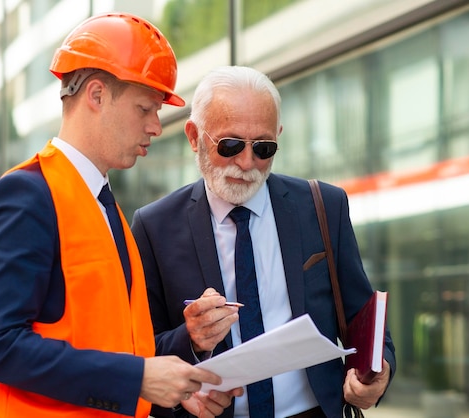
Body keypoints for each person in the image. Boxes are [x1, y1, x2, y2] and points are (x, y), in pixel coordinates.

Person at [0, 13, 242, 418]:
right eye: (145, 108)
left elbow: (118, 351)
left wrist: (179, 374)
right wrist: (137, 380)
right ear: (96, 95)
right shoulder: (27, 195)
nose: (156, 126)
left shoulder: (103, 207)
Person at [131, 66, 397, 418]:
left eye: (264, 147)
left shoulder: (323, 206)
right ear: (194, 137)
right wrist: (191, 339)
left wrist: (379, 371)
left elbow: (363, 316)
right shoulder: (154, 226)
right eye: (230, 145)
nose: (246, 162)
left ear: (278, 136)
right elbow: (140, 349)